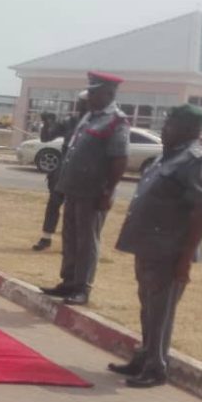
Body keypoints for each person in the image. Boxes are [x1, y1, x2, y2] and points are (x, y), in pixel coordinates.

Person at [109, 104, 202, 388]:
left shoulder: (197, 162)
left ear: (189, 129)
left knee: (161, 312)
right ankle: (144, 356)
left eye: (170, 123)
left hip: (170, 250)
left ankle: (156, 368)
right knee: (148, 307)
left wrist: (185, 257)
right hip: (149, 246)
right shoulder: (167, 156)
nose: (164, 128)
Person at [41, 72, 129, 306]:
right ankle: (68, 281)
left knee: (87, 241)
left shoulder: (116, 121)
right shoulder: (89, 117)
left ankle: (82, 287)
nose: (89, 96)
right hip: (73, 188)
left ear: (108, 93)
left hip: (93, 192)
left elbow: (119, 159)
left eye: (93, 92)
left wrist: (108, 192)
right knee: (70, 236)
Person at [32, 91, 88, 251]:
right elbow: (46, 138)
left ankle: (73, 242)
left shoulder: (98, 123)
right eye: (79, 102)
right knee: (53, 203)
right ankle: (46, 237)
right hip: (64, 169)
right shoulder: (71, 121)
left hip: (84, 171)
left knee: (77, 210)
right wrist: (47, 123)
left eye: (83, 102)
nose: (79, 105)